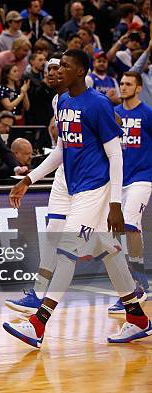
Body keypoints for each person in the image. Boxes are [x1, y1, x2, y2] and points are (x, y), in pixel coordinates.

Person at [3, 49, 152, 348]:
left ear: (80, 71)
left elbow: (115, 155)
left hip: (95, 189)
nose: (59, 70)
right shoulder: (64, 101)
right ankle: (138, 319)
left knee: (66, 253)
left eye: (66, 66)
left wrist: (114, 205)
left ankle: (38, 323)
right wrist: (29, 179)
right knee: (110, 251)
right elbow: (61, 150)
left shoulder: (98, 104)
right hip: (75, 188)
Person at [4, 55, 69, 315]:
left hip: (92, 180)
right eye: (48, 70)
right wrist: (29, 180)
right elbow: (61, 149)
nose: (52, 74)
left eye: (57, 69)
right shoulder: (57, 101)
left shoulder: (90, 101)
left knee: (103, 245)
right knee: (53, 233)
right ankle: (39, 294)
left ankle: (133, 292)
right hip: (66, 176)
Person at [108, 71, 152, 312]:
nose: (123, 87)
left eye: (128, 84)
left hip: (143, 178)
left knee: (130, 224)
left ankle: (138, 280)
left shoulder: (148, 114)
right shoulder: (115, 115)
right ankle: (129, 288)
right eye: (121, 83)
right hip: (118, 180)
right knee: (115, 234)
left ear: (138, 88)